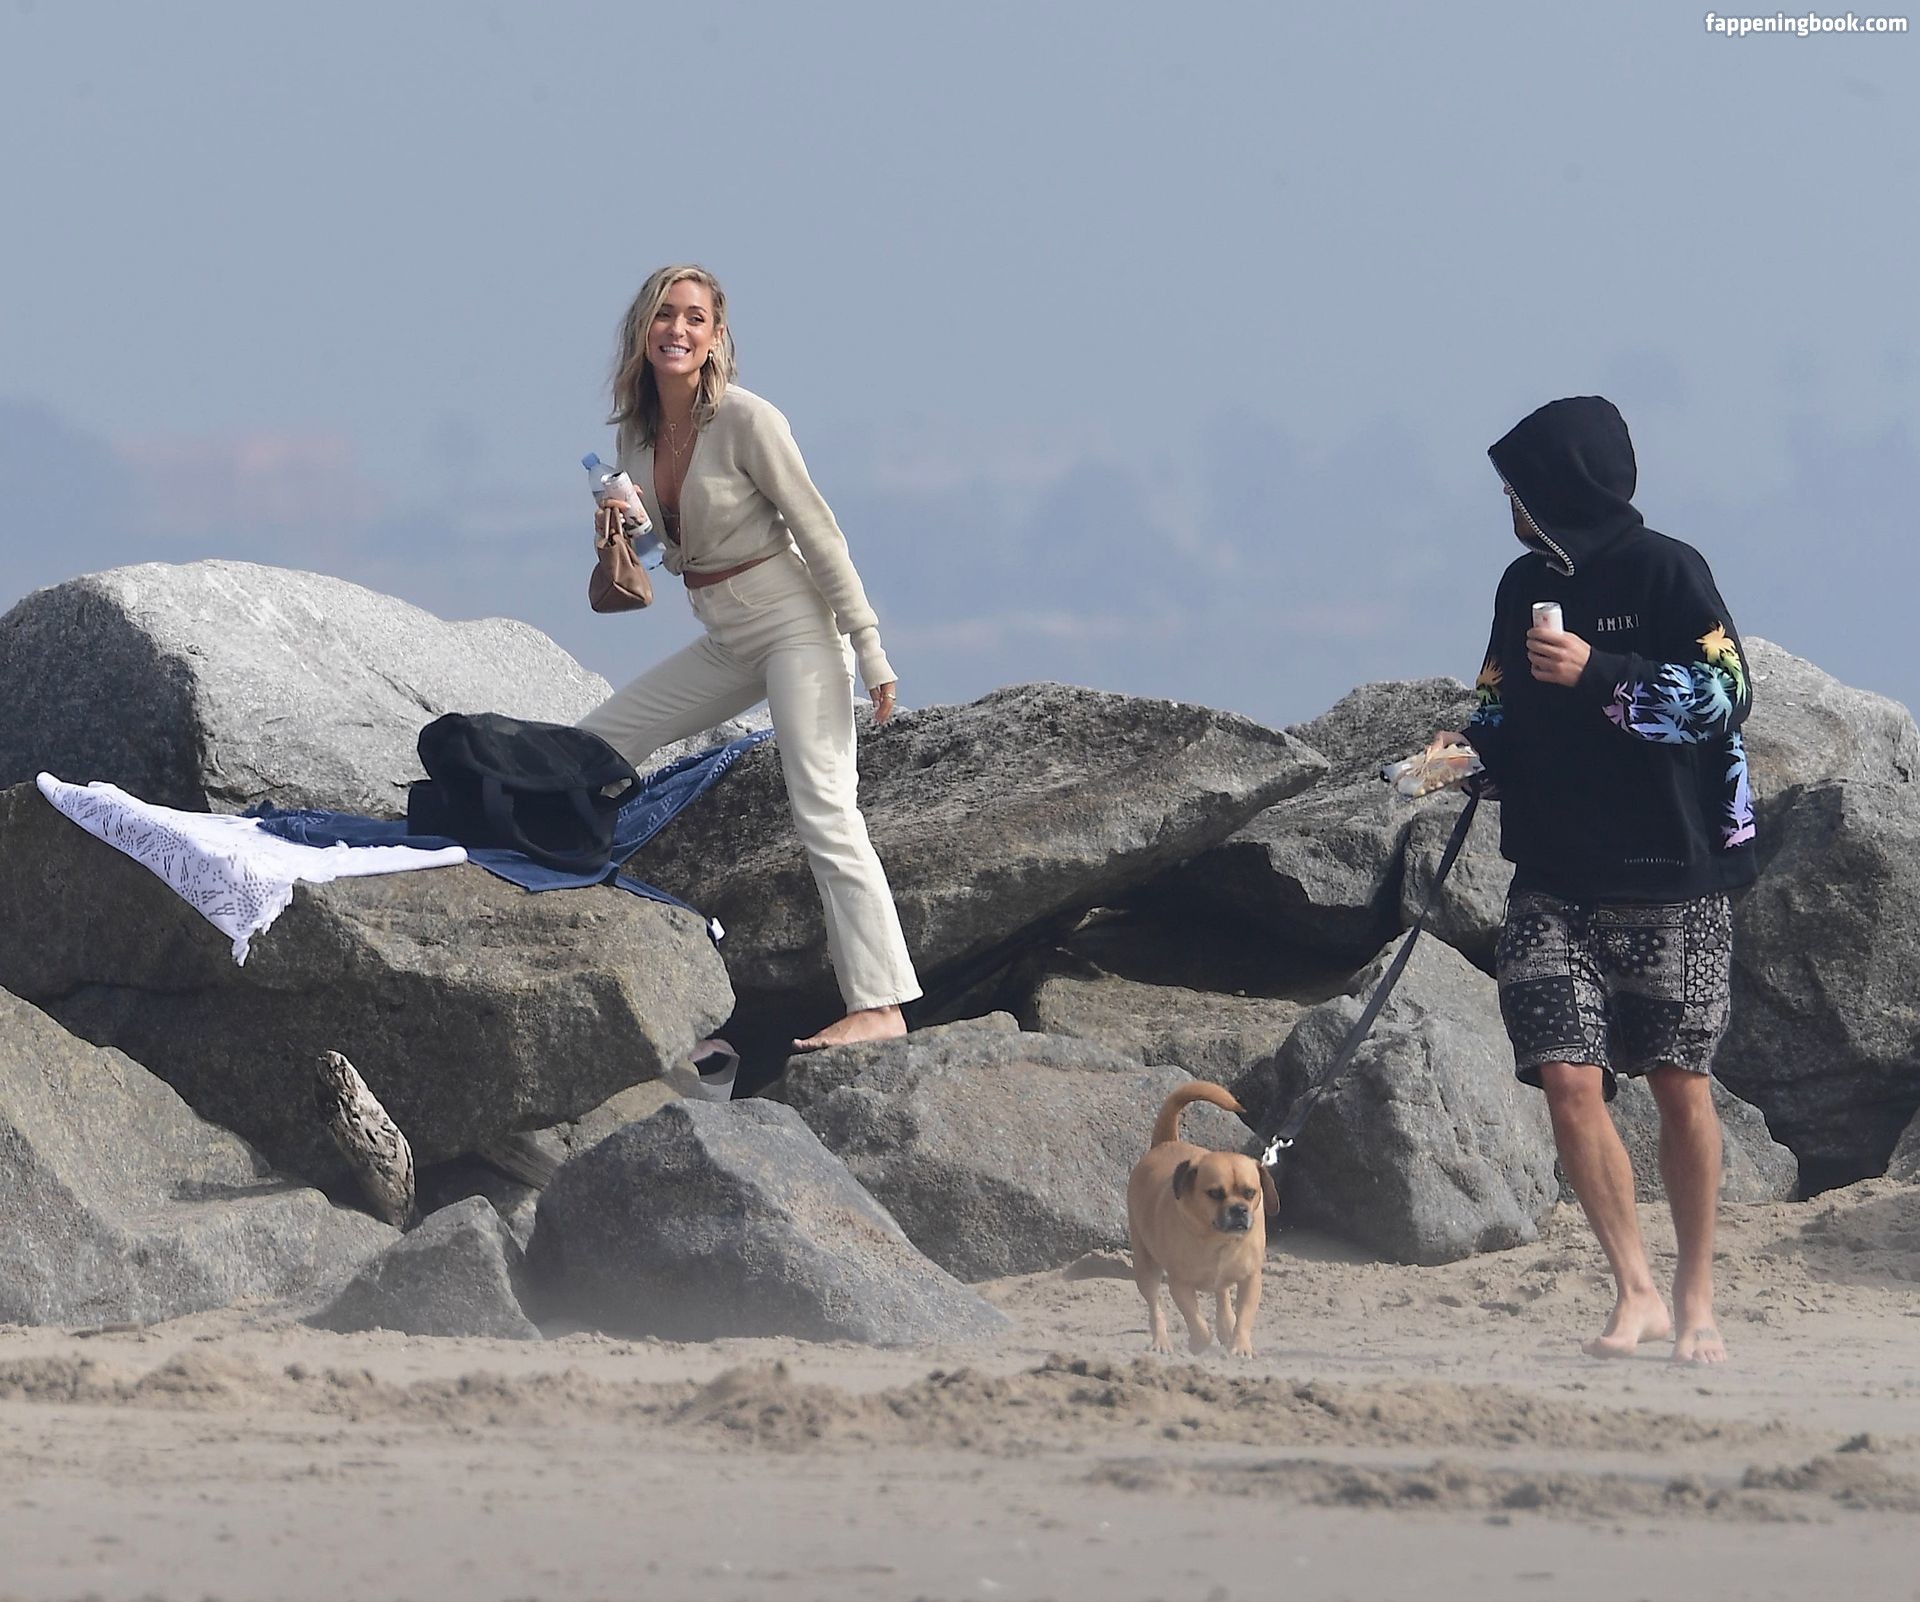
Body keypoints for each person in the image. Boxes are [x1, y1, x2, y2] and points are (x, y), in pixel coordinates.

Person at [1443, 395, 1756, 1366]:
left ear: (1562, 486)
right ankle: (1637, 1290)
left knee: (1679, 1087)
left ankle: (1696, 1293)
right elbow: (1497, 707)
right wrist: (1460, 755)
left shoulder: (1668, 570)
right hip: (1551, 877)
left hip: (1673, 875)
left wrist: (1598, 670)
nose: (1511, 508)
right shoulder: (1519, 585)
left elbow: (1727, 696)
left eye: (1519, 490)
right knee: (1568, 1081)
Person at [579, 264, 921, 1051]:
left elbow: (820, 533)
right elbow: (675, 555)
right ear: (642, 328)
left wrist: (869, 647)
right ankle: (559, 872)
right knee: (593, 747)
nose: (678, 329)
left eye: (695, 318)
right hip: (725, 636)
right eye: (665, 314)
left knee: (824, 809)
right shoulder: (633, 436)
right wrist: (622, 534)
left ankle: (881, 1006)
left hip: (796, 627)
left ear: (716, 337)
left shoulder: (748, 420)